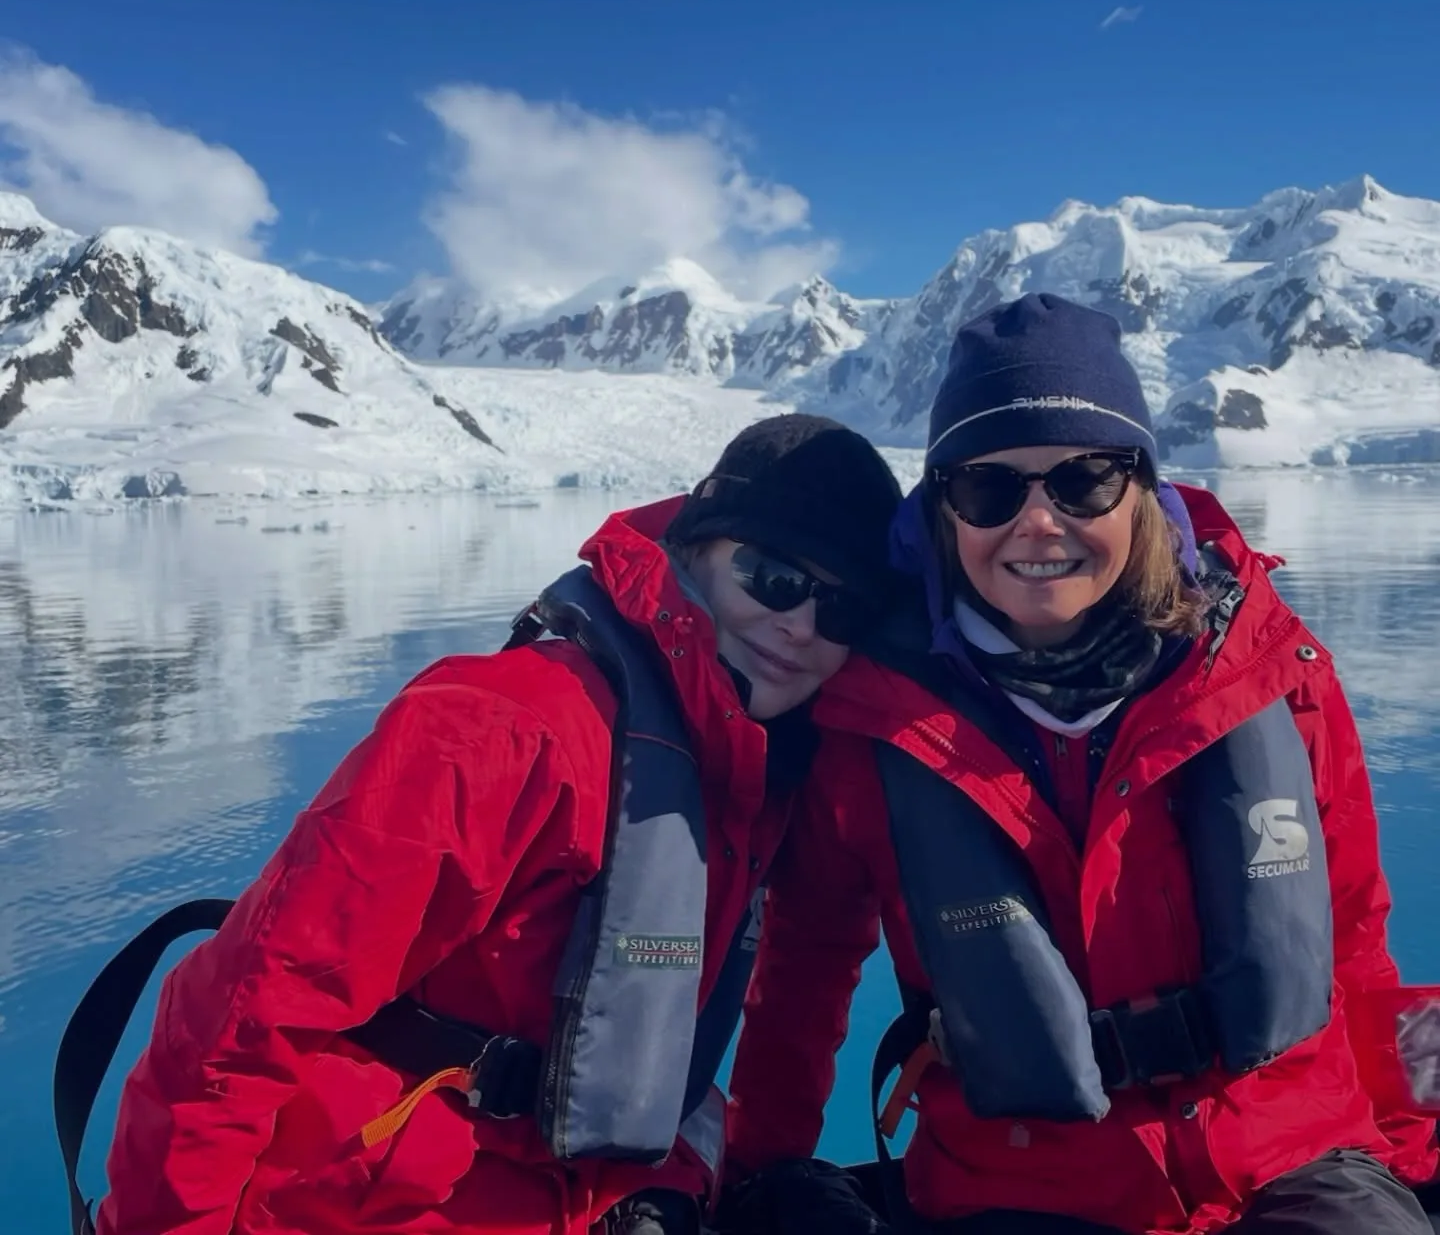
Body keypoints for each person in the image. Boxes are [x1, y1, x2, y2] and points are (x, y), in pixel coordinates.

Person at [722, 294, 1438, 1235]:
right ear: (942, 510)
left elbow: (1352, 934)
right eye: (988, 489)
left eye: (1084, 480)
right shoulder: (873, 723)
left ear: (1141, 491)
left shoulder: (1273, 672)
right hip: (1017, 1184)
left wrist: (1404, 1157)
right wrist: (757, 1177)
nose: (1037, 521)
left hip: (1293, 1156)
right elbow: (804, 975)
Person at [93, 413, 902, 1235]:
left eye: (840, 610)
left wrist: (765, 1179)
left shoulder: (767, 769)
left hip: (589, 1195)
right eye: (772, 578)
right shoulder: (503, 730)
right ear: (696, 550)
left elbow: (803, 990)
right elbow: (239, 1016)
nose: (801, 625)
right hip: (380, 1206)